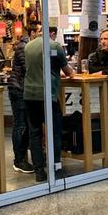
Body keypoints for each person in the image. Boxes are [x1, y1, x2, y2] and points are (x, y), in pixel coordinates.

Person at [23, 26, 74, 182]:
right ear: (51, 34)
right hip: (47, 95)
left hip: (29, 94)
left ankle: (39, 171)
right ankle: (56, 168)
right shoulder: (54, 46)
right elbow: (69, 72)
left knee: (35, 133)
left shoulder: (28, 46)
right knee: (54, 132)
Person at [7, 24, 39, 174]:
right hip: (18, 89)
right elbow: (30, 67)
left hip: (25, 89)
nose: (41, 34)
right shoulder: (23, 47)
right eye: (39, 31)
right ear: (32, 33)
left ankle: (26, 158)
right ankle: (19, 160)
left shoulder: (30, 45)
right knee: (20, 125)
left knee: (26, 124)